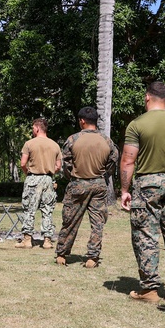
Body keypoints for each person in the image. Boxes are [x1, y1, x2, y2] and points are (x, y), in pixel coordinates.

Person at [119, 81, 165, 305]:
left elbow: (128, 160)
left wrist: (124, 190)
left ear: (147, 97)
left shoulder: (137, 125)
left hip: (147, 183)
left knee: (145, 235)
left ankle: (150, 289)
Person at [55, 107, 119, 268]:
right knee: (97, 222)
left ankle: (62, 254)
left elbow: (67, 164)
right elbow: (113, 161)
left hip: (78, 183)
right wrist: (103, 175)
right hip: (98, 184)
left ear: (82, 121)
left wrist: (73, 178)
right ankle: (92, 257)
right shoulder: (107, 140)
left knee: (70, 220)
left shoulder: (73, 139)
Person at [16, 117, 61, 250]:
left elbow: (23, 163)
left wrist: (28, 173)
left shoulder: (29, 143)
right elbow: (58, 166)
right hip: (48, 179)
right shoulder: (55, 145)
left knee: (29, 209)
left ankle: (27, 240)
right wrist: (50, 170)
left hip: (33, 178)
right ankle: (47, 240)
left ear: (37, 128)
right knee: (47, 209)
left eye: (32, 129)